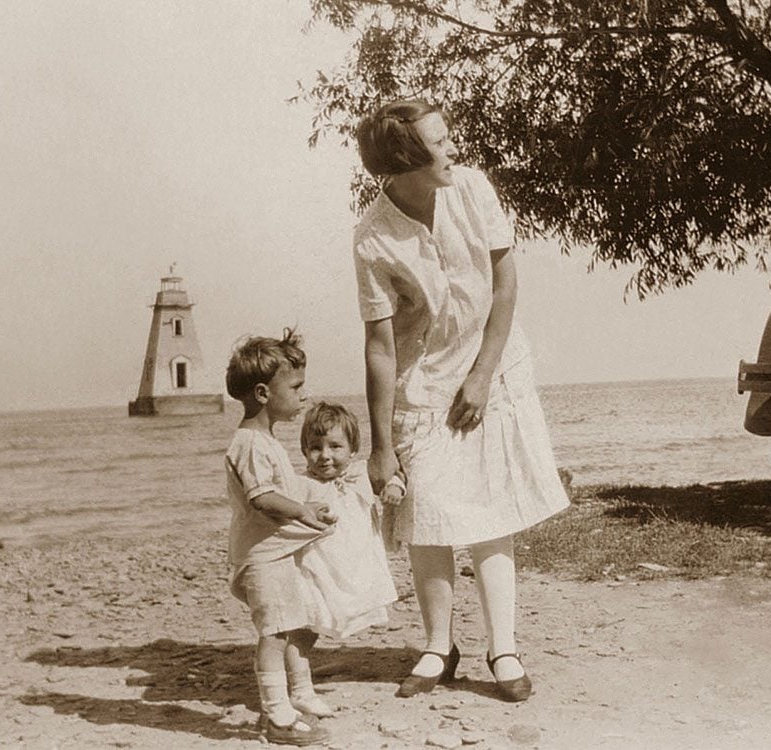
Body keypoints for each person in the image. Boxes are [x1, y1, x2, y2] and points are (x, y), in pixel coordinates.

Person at [352, 99, 571, 702]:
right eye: (439, 144)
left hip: (493, 368)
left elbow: (505, 286)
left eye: (447, 140)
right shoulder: (372, 239)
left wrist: (482, 375)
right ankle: (437, 645)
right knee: (426, 512)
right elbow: (378, 344)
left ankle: (503, 647)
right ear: (404, 162)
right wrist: (380, 449)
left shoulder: (472, 189)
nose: (453, 151)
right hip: (423, 384)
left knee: (491, 510)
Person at [223, 329, 334, 746]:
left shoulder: (264, 441)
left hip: (273, 554)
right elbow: (264, 498)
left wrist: (309, 505)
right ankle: (276, 717)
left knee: (288, 625)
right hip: (261, 558)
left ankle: (293, 700)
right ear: (264, 393)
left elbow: (280, 490)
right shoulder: (250, 444)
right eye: (297, 387)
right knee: (273, 632)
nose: (303, 395)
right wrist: (303, 511)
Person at [295, 402, 398, 639]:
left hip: (357, 560)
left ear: (353, 449)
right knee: (313, 614)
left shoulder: (360, 473)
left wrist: (394, 486)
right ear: (304, 450)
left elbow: (393, 474)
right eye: (315, 448)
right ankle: (297, 667)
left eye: (335, 446)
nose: (325, 456)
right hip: (321, 562)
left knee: (357, 599)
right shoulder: (302, 484)